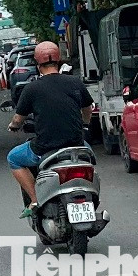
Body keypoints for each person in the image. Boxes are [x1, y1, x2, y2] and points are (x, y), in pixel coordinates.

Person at [6, 41, 93, 218]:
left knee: (13, 158)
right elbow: (87, 109)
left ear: (38, 64)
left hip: (45, 148)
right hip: (76, 144)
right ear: (59, 61)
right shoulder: (75, 83)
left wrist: (13, 126)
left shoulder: (31, 88)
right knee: (90, 160)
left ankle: (35, 199)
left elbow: (18, 118)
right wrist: (84, 124)